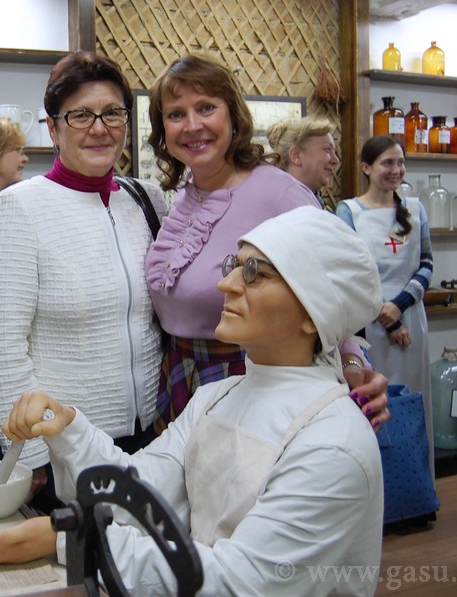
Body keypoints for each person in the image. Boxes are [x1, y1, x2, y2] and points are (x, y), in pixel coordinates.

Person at [0, 206, 385, 596]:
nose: (226, 284)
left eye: (255, 272)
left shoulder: (333, 441)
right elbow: (144, 490)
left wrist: (72, 539)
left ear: (313, 313)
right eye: (234, 265)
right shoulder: (218, 398)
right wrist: (67, 427)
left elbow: (244, 583)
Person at [143, 53, 386, 428]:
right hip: (179, 373)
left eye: (206, 107)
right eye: (176, 114)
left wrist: (352, 360)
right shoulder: (185, 194)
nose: (192, 125)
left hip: (251, 380)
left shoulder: (279, 193)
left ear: (233, 115)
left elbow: (332, 291)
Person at [0, 51, 169, 506]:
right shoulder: (21, 206)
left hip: (149, 438)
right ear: (53, 128)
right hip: (63, 446)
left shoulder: (147, 200)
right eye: (80, 115)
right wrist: (32, 455)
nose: (99, 128)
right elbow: (0, 342)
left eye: (112, 113)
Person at [336, 134, 434, 465]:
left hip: (411, 319)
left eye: (401, 163)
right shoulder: (349, 211)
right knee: (374, 401)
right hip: (368, 325)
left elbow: (426, 264)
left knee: (413, 396)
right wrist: (386, 317)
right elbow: (348, 270)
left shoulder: (416, 210)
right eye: (387, 163)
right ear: (366, 167)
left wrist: (399, 306)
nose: (396, 170)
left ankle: (417, 478)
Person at [265, 116, 340, 210]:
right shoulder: (281, 206)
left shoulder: (313, 200)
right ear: (296, 156)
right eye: (327, 150)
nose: (336, 160)